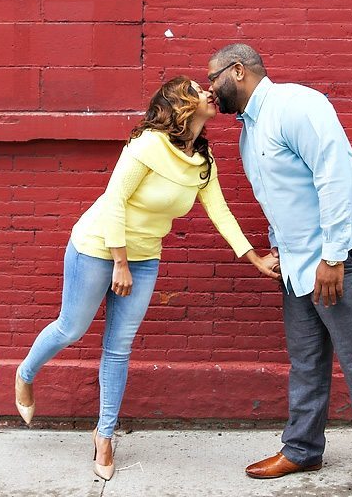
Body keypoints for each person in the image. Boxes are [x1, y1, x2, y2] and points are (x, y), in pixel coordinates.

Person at [14, 76, 280, 481]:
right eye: (195, 88)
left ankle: (104, 436)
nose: (209, 91)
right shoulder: (148, 145)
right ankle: (26, 374)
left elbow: (221, 213)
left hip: (144, 258)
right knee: (72, 328)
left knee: (119, 347)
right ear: (178, 105)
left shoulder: (202, 161)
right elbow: (115, 199)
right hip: (98, 246)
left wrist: (254, 258)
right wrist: (119, 261)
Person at [206, 43, 352, 497]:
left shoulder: (297, 104)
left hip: (342, 251)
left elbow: (333, 176)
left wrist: (333, 256)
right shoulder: (248, 129)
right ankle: (302, 449)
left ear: (237, 71)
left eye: (212, 77)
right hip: (298, 259)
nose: (208, 88)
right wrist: (278, 247)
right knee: (307, 360)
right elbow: (280, 194)